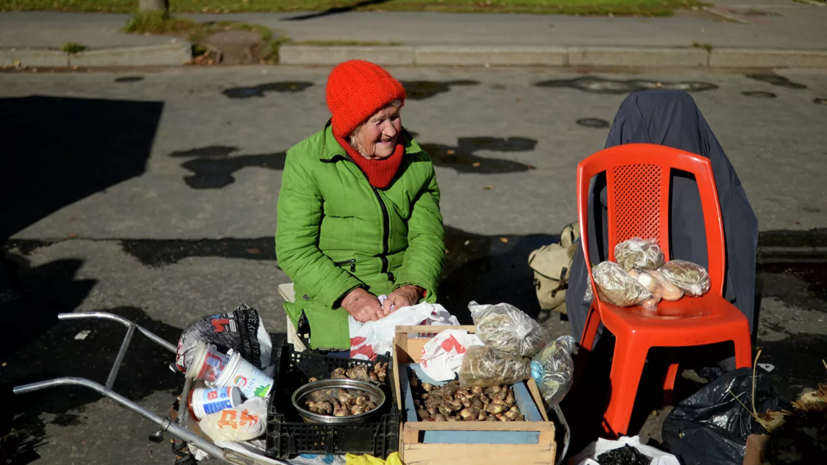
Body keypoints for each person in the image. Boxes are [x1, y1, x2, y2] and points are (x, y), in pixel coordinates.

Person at [566, 90, 759, 349]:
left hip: (633, 293)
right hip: (703, 301)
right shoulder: (717, 184)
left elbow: (593, 249)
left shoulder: (615, 176)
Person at [276, 60, 445, 351]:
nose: (391, 131)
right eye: (378, 121)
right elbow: (294, 248)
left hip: (401, 294)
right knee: (347, 379)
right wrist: (351, 296)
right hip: (333, 293)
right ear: (351, 127)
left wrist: (411, 287)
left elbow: (426, 237)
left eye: (394, 116)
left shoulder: (417, 162)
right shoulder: (306, 162)